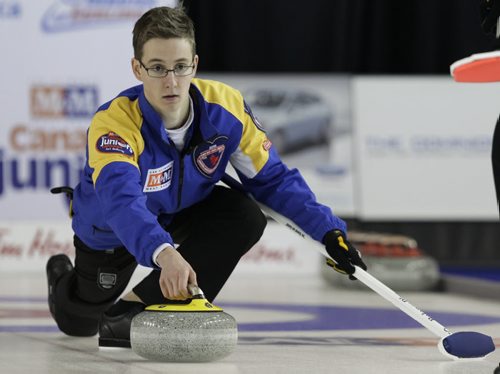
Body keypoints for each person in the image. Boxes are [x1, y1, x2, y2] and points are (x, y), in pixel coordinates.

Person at [46, 5, 367, 349]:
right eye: (157, 68)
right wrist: (163, 252)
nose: (171, 82)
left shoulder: (226, 107)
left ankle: (141, 310)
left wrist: (328, 232)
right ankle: (62, 281)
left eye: (180, 67)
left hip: (183, 209)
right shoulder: (114, 123)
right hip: (114, 228)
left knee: (244, 216)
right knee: (80, 320)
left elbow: (272, 180)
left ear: (195, 65)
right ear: (137, 69)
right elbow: (122, 202)